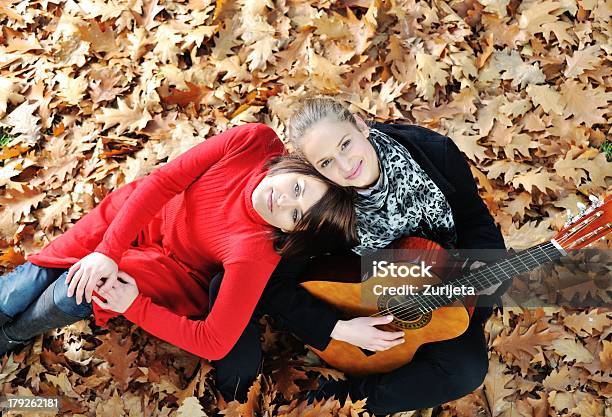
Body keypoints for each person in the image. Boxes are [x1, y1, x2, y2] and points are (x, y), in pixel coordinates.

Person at [212, 97, 510, 414]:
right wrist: (337, 327)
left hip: (432, 283)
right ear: (314, 170)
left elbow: (475, 223)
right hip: (350, 299)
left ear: (360, 125)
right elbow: (273, 282)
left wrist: (460, 304)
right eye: (325, 163)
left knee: (466, 369)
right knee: (226, 286)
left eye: (345, 144)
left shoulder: (435, 154)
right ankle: (257, 396)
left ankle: (351, 399)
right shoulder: (320, 204)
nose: (344, 166)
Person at [0, 123, 357, 370]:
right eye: (297, 189)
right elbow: (165, 180)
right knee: (20, 288)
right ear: (298, 166)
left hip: (171, 269)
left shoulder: (257, 253)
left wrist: (135, 307)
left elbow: (215, 341)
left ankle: (11, 336)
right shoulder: (253, 142)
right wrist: (108, 251)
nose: (281, 202)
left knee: (72, 293)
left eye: (294, 216)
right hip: (142, 215)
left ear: (290, 232)